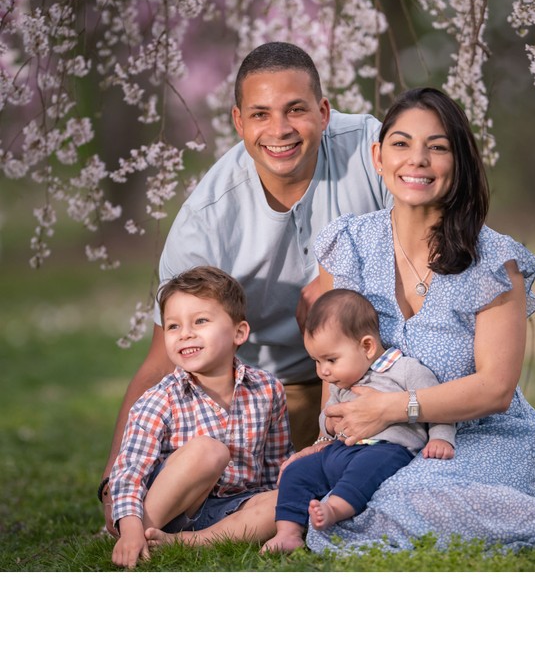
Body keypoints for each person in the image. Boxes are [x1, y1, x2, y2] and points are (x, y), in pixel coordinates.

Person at [304, 87, 535, 553]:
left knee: (393, 499)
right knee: (332, 500)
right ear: (378, 157)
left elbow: (496, 389)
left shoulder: (493, 261)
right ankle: (495, 516)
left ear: (458, 161)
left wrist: (390, 408)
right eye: (401, 144)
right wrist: (327, 434)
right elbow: (333, 360)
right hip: (382, 443)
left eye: (437, 147)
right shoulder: (349, 245)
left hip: (480, 438)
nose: (416, 160)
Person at [98, 41, 391, 536]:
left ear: (323, 111)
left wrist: (336, 279)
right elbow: (160, 360)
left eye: (296, 110)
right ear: (238, 121)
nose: (279, 131)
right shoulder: (206, 222)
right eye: (260, 114)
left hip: (377, 366)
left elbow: (426, 239)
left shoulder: (376, 149)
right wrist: (111, 486)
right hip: (271, 396)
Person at [109, 266, 292, 568]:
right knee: (209, 451)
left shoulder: (267, 390)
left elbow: (275, 466)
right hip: (167, 507)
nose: (186, 334)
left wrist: (285, 503)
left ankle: (192, 541)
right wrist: (128, 528)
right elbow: (129, 472)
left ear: (239, 332)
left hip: (229, 508)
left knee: (284, 501)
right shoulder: (160, 399)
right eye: (173, 326)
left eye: (201, 321)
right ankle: (138, 536)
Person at [263, 288, 456, 553]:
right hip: (340, 449)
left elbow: (437, 407)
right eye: (317, 361)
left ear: (367, 346)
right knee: (298, 470)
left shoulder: (405, 370)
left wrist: (441, 438)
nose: (323, 371)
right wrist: (329, 425)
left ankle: (333, 510)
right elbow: (327, 416)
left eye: (330, 359)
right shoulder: (342, 382)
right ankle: (288, 533)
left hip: (385, 450)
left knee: (364, 470)